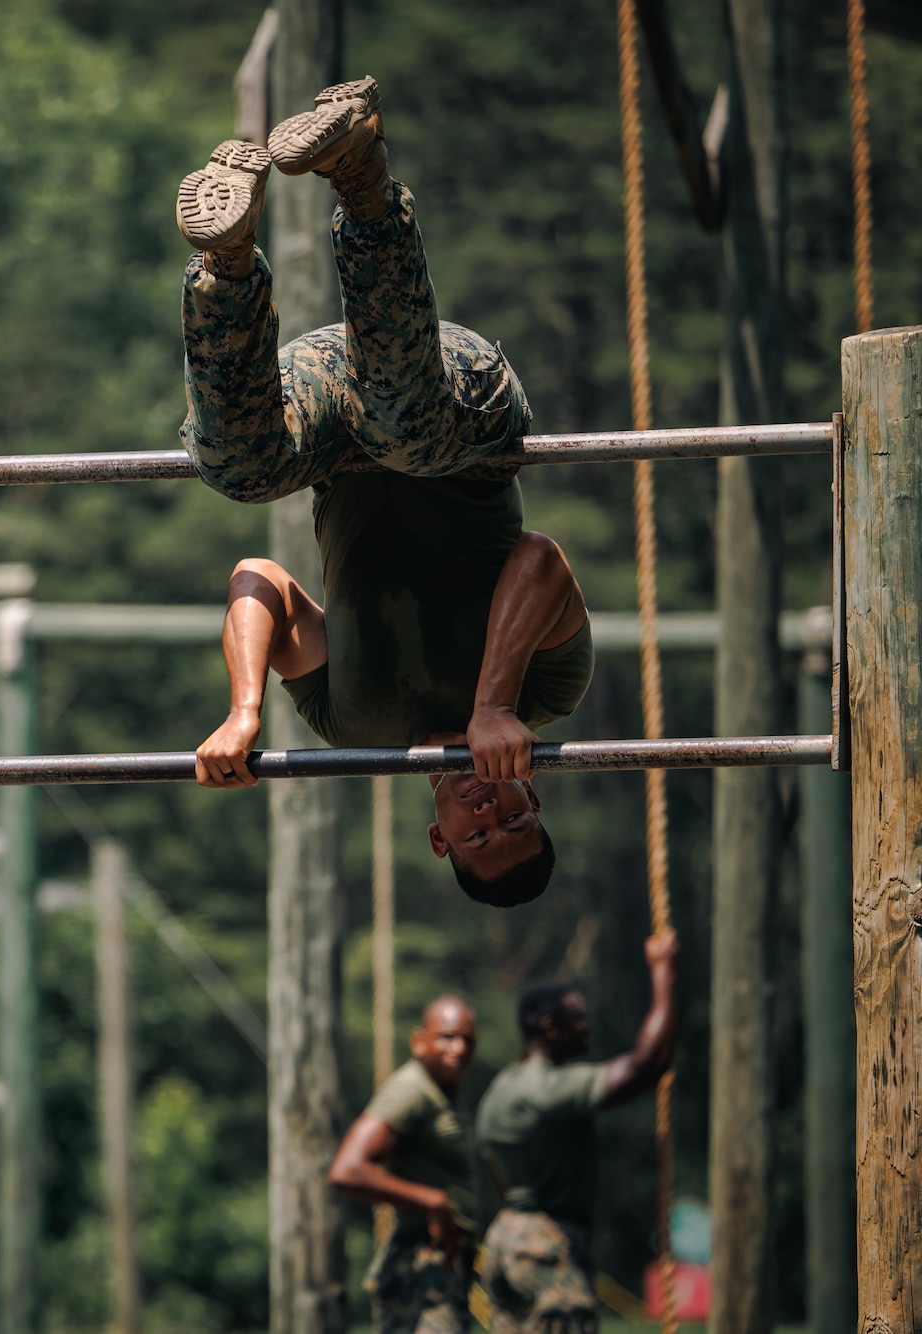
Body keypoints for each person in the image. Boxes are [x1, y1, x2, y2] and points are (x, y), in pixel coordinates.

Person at [177, 76, 592, 908]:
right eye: (513, 820)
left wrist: (244, 712)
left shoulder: (351, 724)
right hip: (460, 404)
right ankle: (360, 174)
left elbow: (259, 580)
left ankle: (225, 262)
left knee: (237, 468)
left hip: (344, 413)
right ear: (533, 796)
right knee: (407, 429)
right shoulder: (548, 695)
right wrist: (493, 703)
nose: (489, 810)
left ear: (439, 837)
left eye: (477, 835)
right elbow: (542, 561)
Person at [475, 931, 680, 1334]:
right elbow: (647, 1066)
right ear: (551, 1027)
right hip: (545, 1244)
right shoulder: (546, 1089)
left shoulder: (502, 1088)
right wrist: (664, 974)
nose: (587, 1027)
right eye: (578, 1018)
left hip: (506, 1237)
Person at [330, 996, 482, 1334]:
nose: (458, 1048)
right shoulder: (411, 1090)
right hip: (419, 1266)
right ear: (419, 1042)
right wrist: (432, 1202)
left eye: (467, 1040)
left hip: (445, 1266)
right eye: (447, 1037)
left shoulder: (444, 1094)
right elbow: (347, 1170)